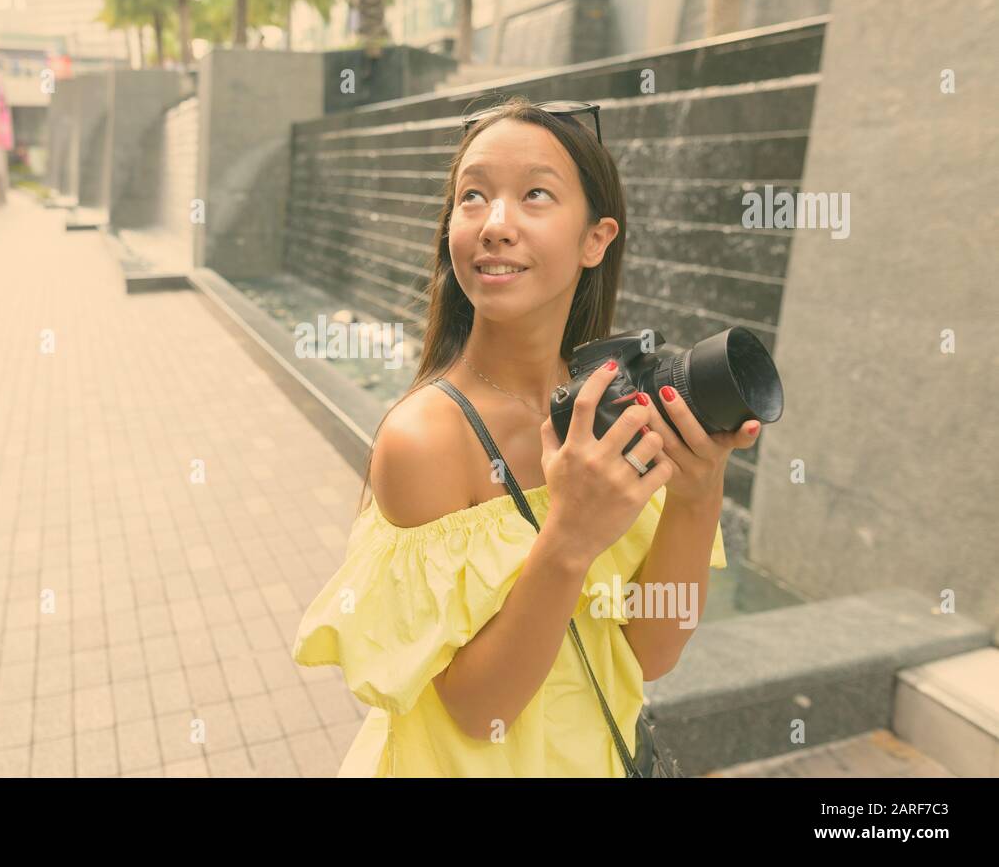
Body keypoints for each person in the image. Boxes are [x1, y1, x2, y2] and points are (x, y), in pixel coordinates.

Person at [291, 96, 761, 777]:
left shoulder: (612, 405)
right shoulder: (425, 438)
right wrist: (570, 535)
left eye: (535, 194)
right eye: (473, 196)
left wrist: (697, 491)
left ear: (596, 238)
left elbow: (650, 653)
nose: (496, 224)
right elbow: (479, 712)